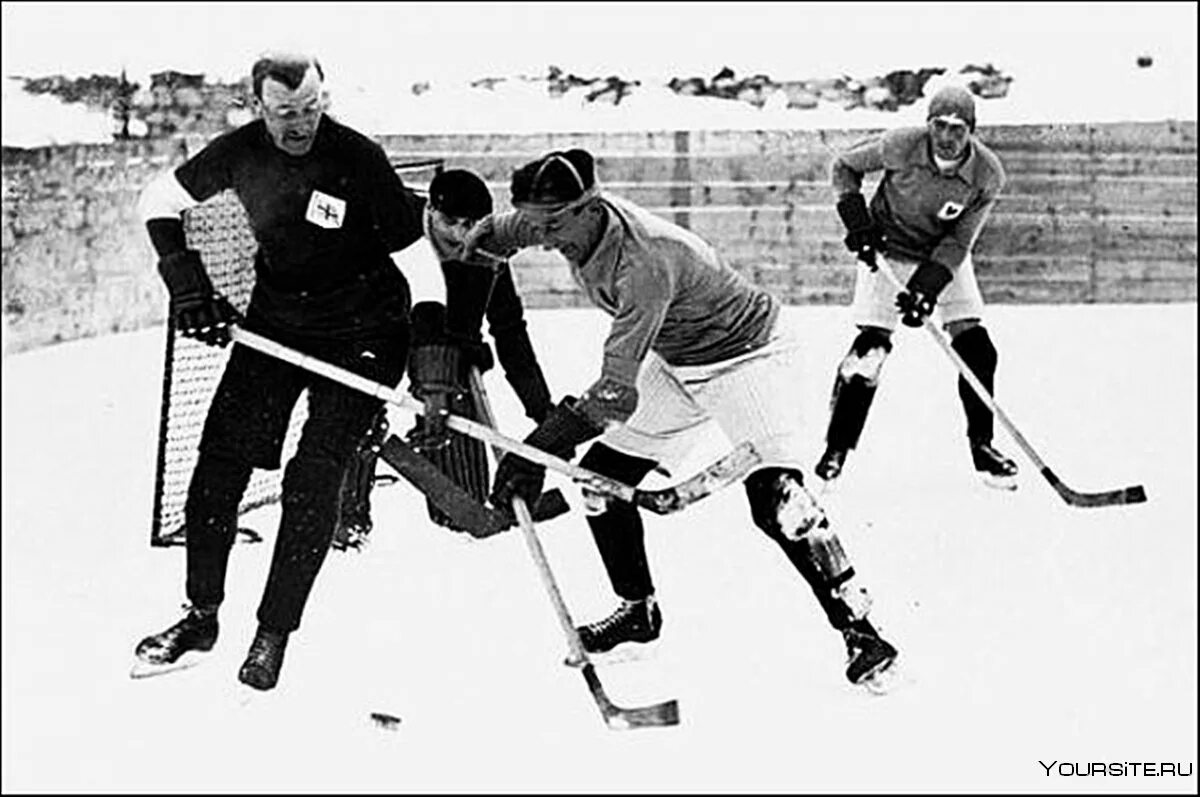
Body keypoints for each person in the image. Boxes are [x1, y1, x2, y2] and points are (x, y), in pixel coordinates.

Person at [466, 149, 899, 691]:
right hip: (679, 361)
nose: (547, 240)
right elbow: (492, 235)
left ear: (590, 207)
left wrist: (539, 448)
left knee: (779, 502)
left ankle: (862, 631)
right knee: (601, 483)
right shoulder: (564, 223)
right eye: (538, 225)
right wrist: (456, 258)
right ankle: (637, 613)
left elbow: (614, 393)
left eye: (555, 226)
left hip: (749, 356)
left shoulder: (643, 264)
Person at [132, 52, 464, 691]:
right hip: (278, 325)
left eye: (312, 108)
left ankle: (272, 632)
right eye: (286, 112)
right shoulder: (238, 152)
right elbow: (159, 200)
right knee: (216, 470)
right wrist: (185, 281)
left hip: (366, 334)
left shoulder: (356, 158)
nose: (301, 123)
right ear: (259, 105)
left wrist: (431, 363)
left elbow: (420, 261)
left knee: (313, 477)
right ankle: (201, 615)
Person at [331, 168, 556, 549]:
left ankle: (453, 498)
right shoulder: (394, 220)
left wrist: (542, 410)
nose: (462, 234)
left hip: (442, 332)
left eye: (474, 224)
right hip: (365, 318)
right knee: (353, 407)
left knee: (451, 384)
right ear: (431, 211)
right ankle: (344, 515)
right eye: (452, 222)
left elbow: (510, 330)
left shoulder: (487, 248)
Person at [815, 84, 1018, 490]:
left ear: (972, 131)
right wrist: (858, 221)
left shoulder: (986, 175)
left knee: (977, 347)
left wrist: (926, 287)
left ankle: (983, 447)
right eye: (938, 125)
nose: (946, 136)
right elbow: (844, 167)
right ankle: (836, 450)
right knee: (871, 351)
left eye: (957, 129)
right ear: (927, 126)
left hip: (942, 254)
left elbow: (960, 240)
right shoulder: (900, 145)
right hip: (886, 249)